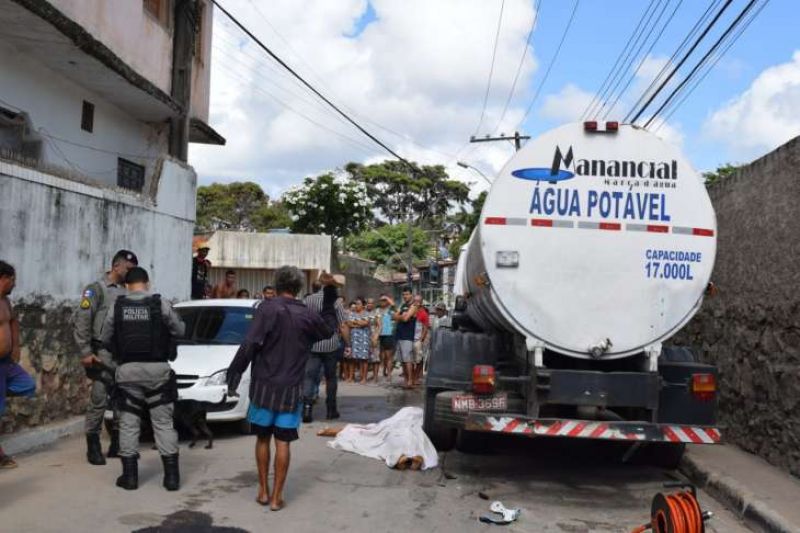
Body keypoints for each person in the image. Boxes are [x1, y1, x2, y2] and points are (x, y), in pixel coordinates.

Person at [226, 267, 339, 511]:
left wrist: (234, 373)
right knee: (283, 442)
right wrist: (330, 294)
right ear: (298, 288)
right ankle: (277, 498)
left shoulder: (266, 309)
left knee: (262, 438)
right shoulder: (307, 314)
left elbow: (250, 343)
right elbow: (329, 329)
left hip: (264, 387)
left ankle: (263, 491)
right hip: (291, 388)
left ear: (276, 285)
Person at [100, 267, 185, 491]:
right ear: (147, 283)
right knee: (163, 423)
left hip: (128, 372)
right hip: (158, 372)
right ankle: (172, 479)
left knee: (128, 424)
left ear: (126, 286)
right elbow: (180, 330)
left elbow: (105, 338)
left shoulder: (117, 306)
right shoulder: (160, 303)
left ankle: (130, 478)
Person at [74, 249, 138, 465]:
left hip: (123, 353)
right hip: (103, 352)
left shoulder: (128, 291)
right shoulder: (96, 289)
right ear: (116, 266)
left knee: (122, 399)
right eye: (128, 268)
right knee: (99, 398)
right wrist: (85, 352)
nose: (131, 273)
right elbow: (83, 320)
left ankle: (117, 444)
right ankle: (93, 445)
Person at [0, 261, 36, 468]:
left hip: (6, 362)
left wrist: (15, 346)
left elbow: (13, 321)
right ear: (4, 278)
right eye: (13, 280)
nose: (15, 284)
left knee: (27, 385)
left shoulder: (5, 301)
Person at [302, 281, 349, 423]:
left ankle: (307, 409)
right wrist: (348, 343)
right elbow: (343, 325)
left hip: (313, 344)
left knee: (309, 377)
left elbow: (302, 321)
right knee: (331, 378)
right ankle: (331, 410)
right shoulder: (337, 302)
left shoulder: (308, 299)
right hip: (331, 345)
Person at [392, 288, 418, 389]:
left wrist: (400, 316)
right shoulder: (402, 305)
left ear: (411, 295)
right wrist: (401, 316)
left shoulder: (414, 306)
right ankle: (406, 380)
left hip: (407, 336)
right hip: (399, 335)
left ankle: (410, 381)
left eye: (407, 294)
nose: (405, 296)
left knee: (408, 360)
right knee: (402, 360)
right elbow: (393, 316)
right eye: (403, 294)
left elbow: (406, 318)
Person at [346, 298, 371, 384]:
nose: (357, 305)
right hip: (353, 338)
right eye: (356, 303)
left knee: (364, 359)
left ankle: (363, 378)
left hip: (364, 339)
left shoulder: (367, 313)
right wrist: (359, 323)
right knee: (352, 358)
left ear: (363, 305)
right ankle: (351, 377)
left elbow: (365, 323)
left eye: (359, 304)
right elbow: (349, 323)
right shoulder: (351, 313)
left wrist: (355, 322)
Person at [377, 295, 396, 382]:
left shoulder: (390, 309)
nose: (383, 301)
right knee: (382, 356)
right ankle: (384, 371)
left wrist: (387, 297)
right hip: (380, 335)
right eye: (381, 300)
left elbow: (393, 305)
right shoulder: (378, 310)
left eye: (384, 300)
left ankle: (389, 374)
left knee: (389, 356)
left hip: (388, 334)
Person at [412, 296, 430, 386]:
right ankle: (412, 377)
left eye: (418, 301)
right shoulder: (411, 311)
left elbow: (425, 328)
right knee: (411, 360)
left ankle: (416, 377)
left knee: (419, 359)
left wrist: (421, 339)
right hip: (410, 339)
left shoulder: (423, 313)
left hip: (418, 340)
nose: (416, 302)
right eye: (415, 301)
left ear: (421, 302)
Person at [365, 298, 381, 382]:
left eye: (371, 303)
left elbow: (379, 325)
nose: (370, 304)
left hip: (374, 336)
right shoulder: (363, 312)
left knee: (375, 358)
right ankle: (364, 376)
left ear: (373, 304)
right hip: (364, 337)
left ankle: (375, 377)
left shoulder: (376, 313)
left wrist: (376, 336)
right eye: (368, 303)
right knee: (365, 358)